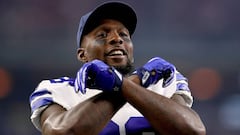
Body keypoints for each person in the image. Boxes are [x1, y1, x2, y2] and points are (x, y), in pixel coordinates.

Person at [29, 1, 206, 135]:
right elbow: (61, 132)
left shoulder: (162, 83)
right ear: (82, 55)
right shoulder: (56, 89)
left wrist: (121, 83)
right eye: (102, 35)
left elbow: (193, 130)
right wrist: (133, 82)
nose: (117, 39)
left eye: (123, 34)